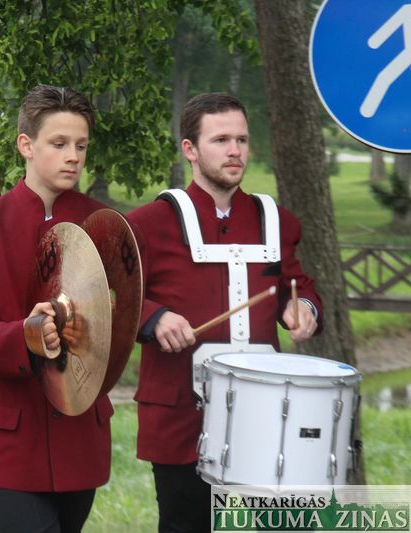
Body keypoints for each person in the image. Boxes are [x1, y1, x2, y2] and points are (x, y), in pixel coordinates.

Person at [126, 92, 323, 533]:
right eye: (220, 140)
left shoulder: (275, 220)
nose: (234, 151)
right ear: (190, 149)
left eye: (241, 140)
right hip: (181, 417)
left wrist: (302, 308)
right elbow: (114, 297)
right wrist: (154, 318)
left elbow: (297, 284)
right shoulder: (148, 224)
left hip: (267, 419)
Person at [0, 84, 114, 532]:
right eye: (59, 144)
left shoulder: (107, 228)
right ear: (26, 145)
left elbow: (124, 316)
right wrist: (27, 334)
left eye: (80, 146)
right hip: (10, 439)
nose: (73, 157)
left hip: (80, 436)